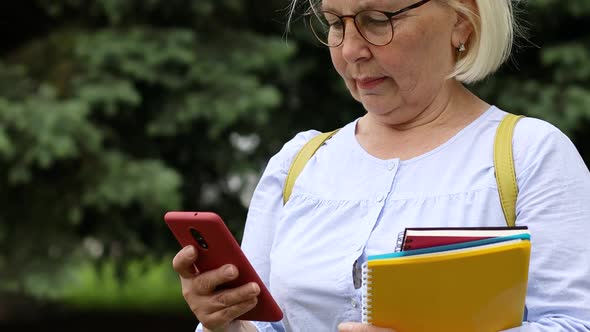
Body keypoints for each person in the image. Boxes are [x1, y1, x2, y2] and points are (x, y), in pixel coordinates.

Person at [173, 0, 590, 331]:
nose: (351, 50)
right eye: (336, 23)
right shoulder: (298, 163)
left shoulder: (531, 155)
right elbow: (270, 328)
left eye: (377, 20)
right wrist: (225, 322)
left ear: (462, 20)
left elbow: (575, 323)